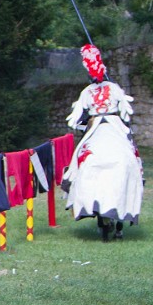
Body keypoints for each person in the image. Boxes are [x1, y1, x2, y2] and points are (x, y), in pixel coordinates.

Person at [62, 44, 143, 241]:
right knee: (131, 157)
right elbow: (125, 115)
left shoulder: (86, 93)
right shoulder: (114, 88)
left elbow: (78, 119)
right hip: (115, 125)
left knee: (79, 159)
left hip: (96, 127)